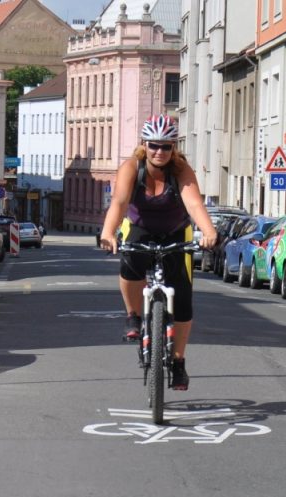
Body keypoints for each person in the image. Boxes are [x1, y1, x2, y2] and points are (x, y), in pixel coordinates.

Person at [99, 114, 218, 391]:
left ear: (174, 147)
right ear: (144, 144)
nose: (159, 152)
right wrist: (107, 232)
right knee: (130, 262)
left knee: (184, 299)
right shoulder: (132, 167)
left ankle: (178, 362)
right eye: (154, 145)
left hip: (176, 231)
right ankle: (133, 315)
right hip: (140, 227)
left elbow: (195, 205)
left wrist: (209, 232)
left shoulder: (181, 170)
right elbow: (119, 202)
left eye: (166, 146)